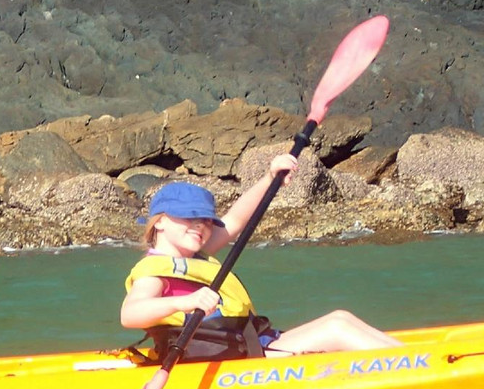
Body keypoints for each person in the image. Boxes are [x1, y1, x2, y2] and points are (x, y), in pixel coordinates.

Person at [120, 153, 402, 361]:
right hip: (231, 359)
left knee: (341, 317)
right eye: (188, 217)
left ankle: (420, 360)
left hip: (250, 345)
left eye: (205, 220)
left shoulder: (197, 255)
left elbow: (235, 218)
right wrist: (188, 301)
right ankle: (421, 368)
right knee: (337, 328)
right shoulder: (153, 272)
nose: (200, 226)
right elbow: (130, 314)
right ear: (159, 222)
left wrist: (270, 179)